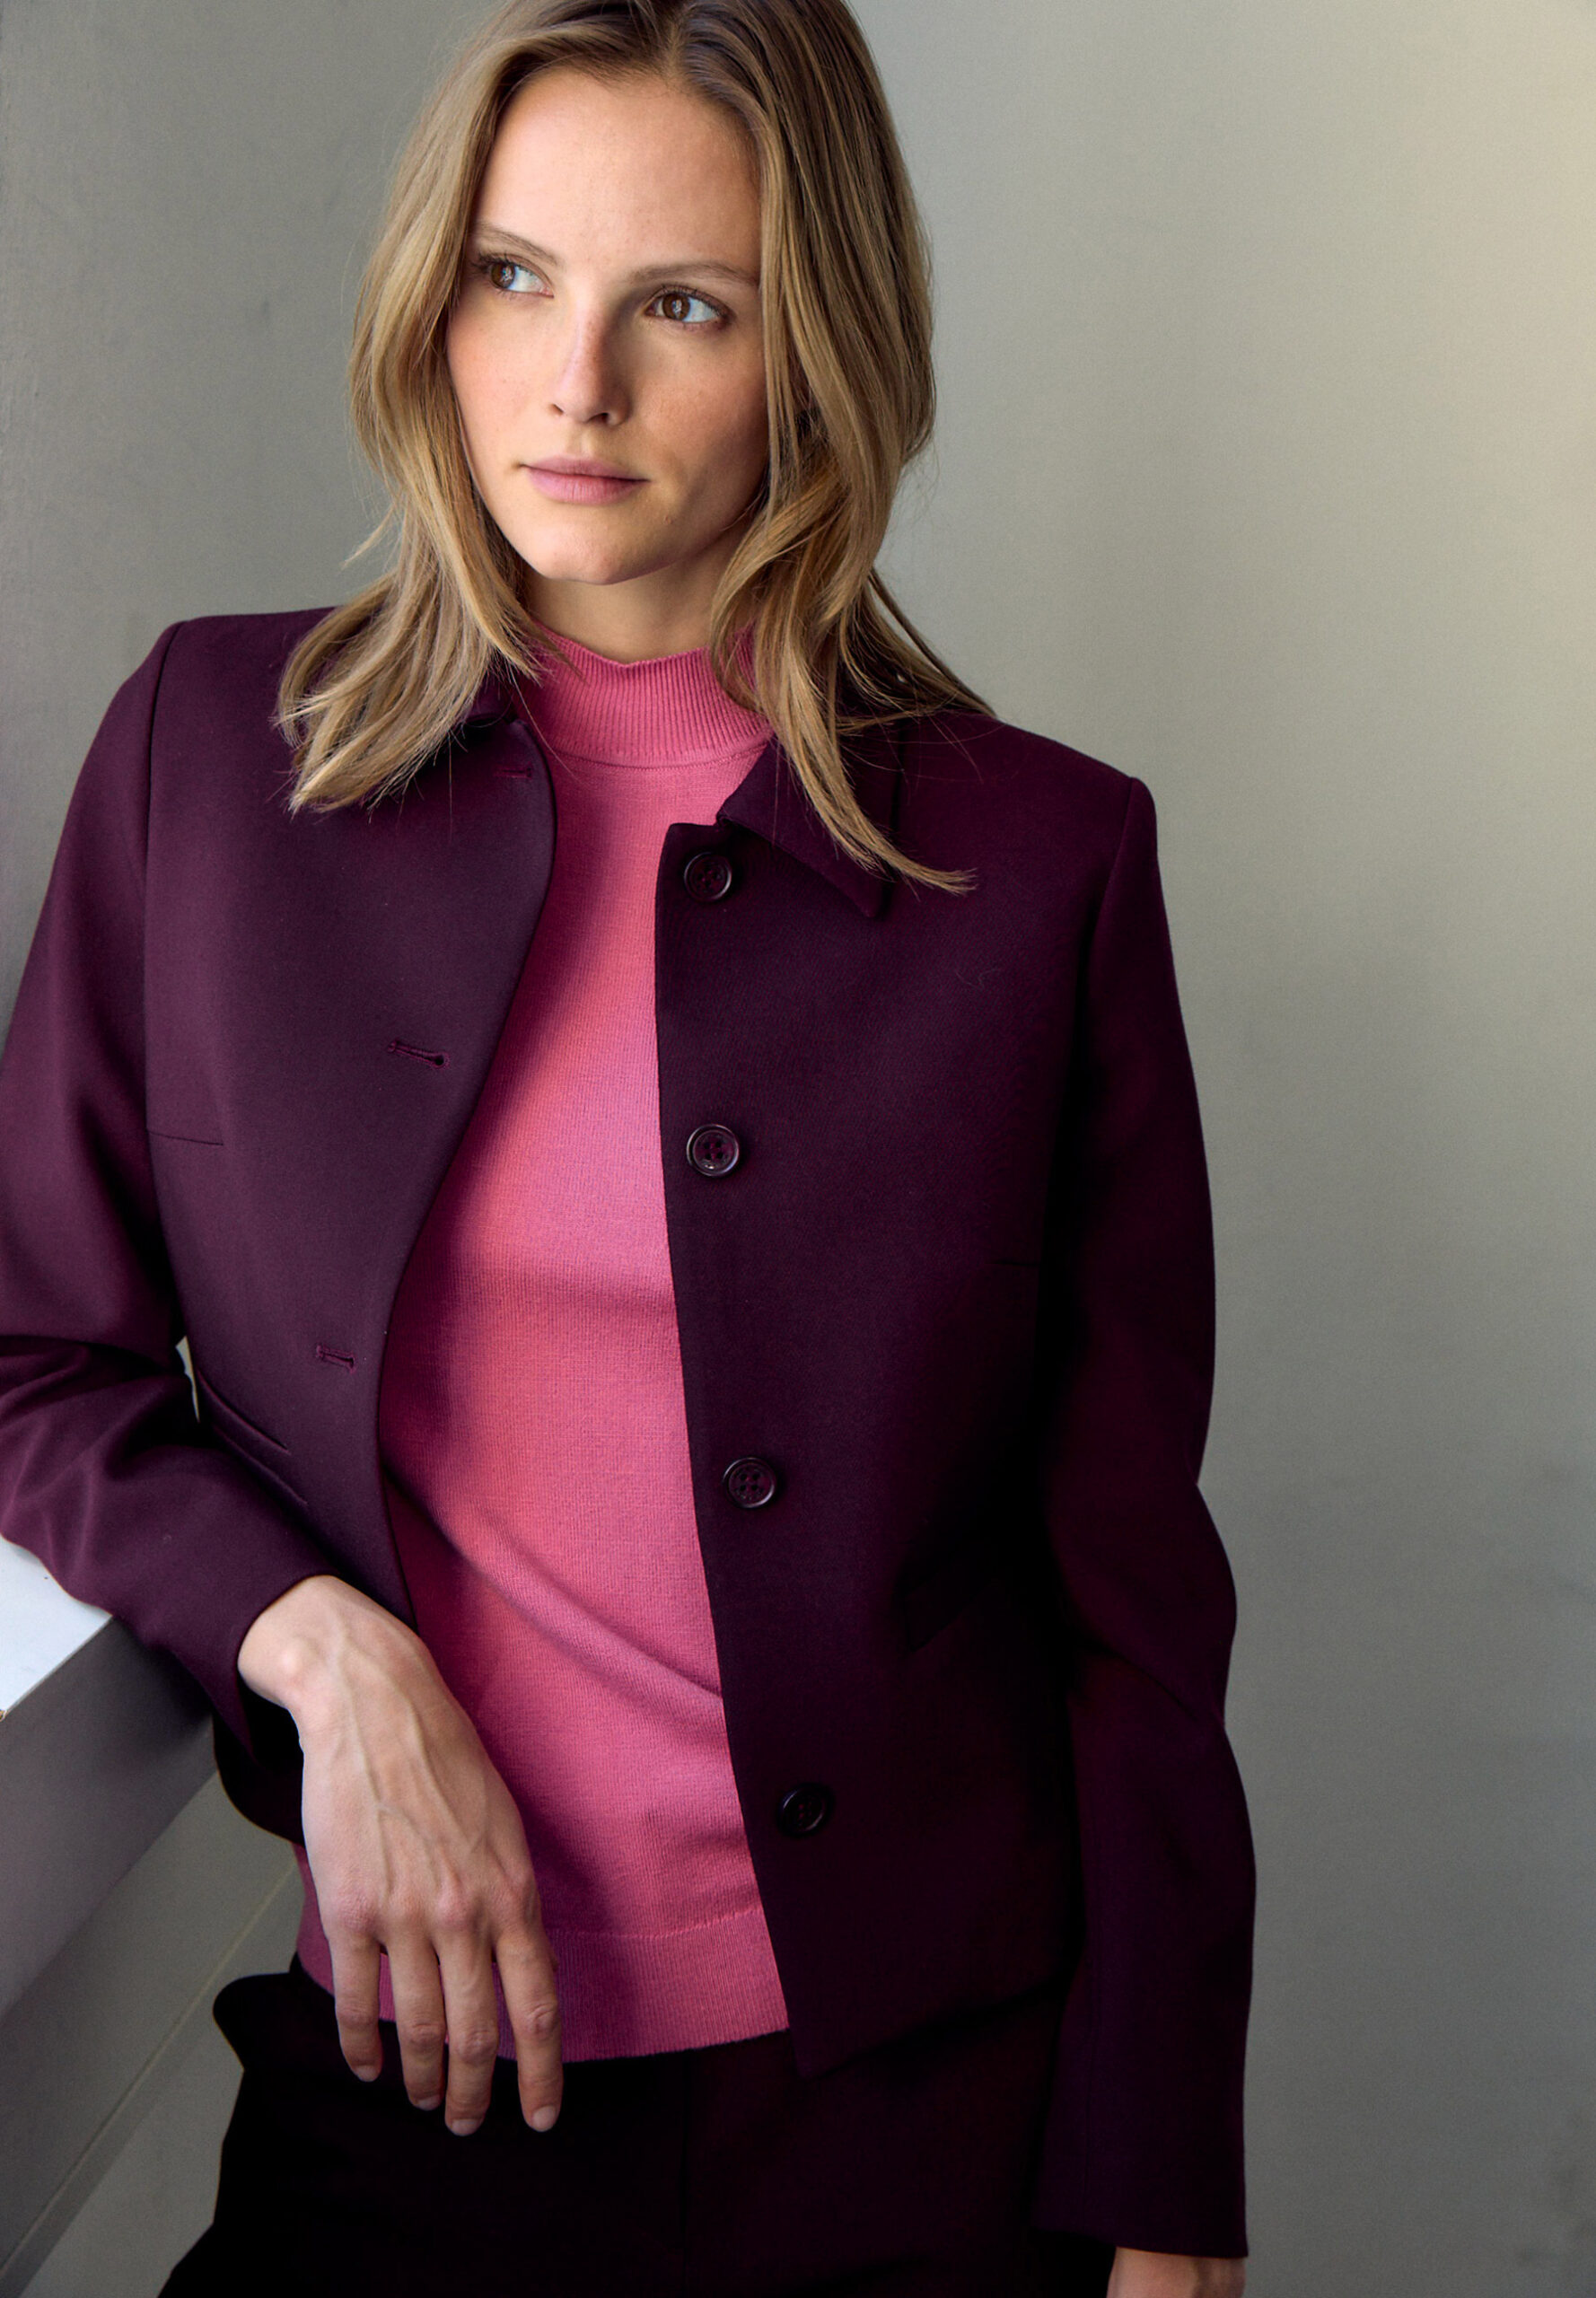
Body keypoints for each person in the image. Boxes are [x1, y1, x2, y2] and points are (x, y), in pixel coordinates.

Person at [0, 1, 1254, 2291]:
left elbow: (1130, 1600)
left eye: (681, 305)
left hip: (917, 2104)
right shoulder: (209, 761)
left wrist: (1165, 2196)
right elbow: (34, 1359)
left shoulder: (1040, 869)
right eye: (513, 276)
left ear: (817, 355)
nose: (570, 384)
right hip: (410, 2070)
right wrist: (326, 1653)